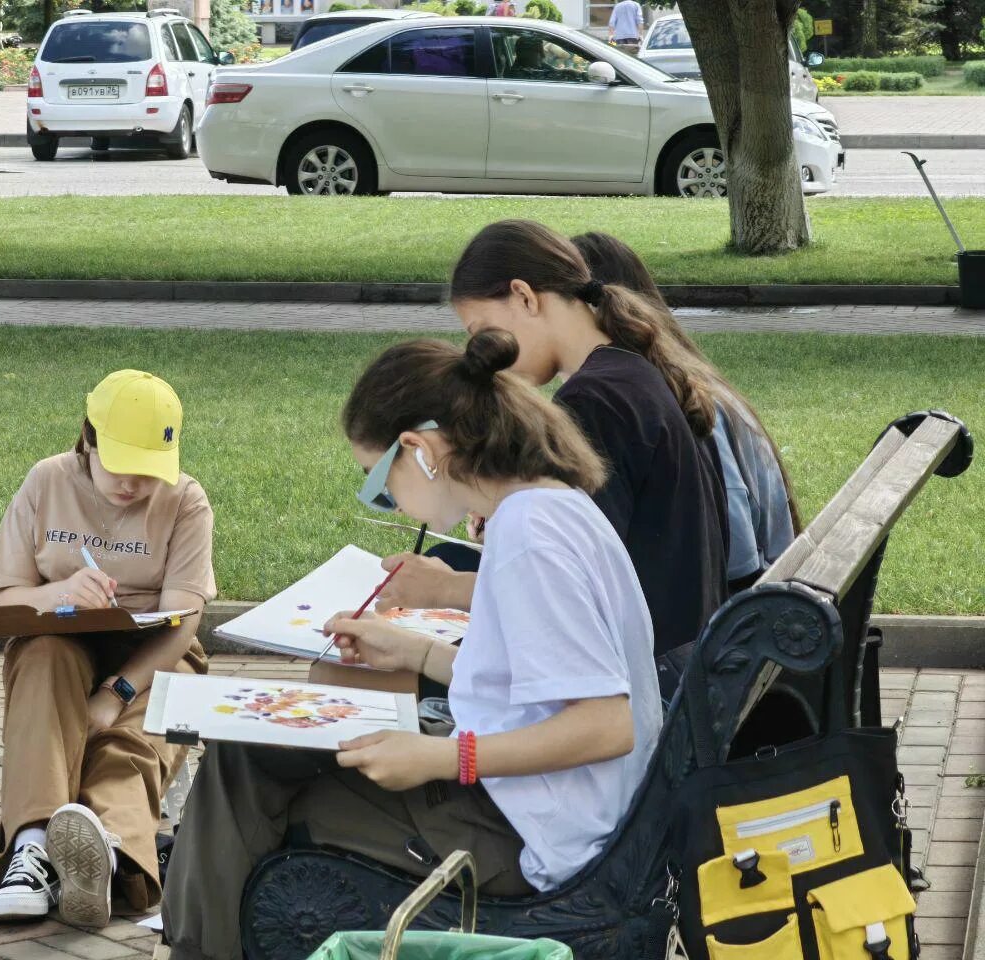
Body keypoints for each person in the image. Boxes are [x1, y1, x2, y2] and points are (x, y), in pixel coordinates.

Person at [160, 330, 661, 960]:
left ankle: (193, 948)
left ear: (420, 450)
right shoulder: (546, 507)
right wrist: (413, 654)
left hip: (538, 839)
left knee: (249, 789)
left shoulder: (532, 533)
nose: (391, 506)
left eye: (378, 485)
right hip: (549, 811)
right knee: (251, 759)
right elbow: (534, 684)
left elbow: (605, 725)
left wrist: (446, 759)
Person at [378, 220, 728, 698]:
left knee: (392, 677)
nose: (484, 356)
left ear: (525, 297)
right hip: (675, 657)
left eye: (482, 332)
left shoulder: (596, 403)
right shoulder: (623, 374)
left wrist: (444, 590)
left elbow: (573, 593)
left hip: (649, 681)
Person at [0, 370, 216, 928]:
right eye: (120, 464)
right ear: (87, 437)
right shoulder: (46, 481)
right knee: (41, 661)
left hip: (155, 652)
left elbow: (183, 623)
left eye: (147, 471)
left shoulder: (187, 501)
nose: (133, 484)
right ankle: (34, 850)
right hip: (60, 634)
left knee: (125, 742)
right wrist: (58, 593)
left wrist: (118, 690)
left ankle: (106, 855)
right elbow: (4, 601)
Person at [572, 231, 800, 590]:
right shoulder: (678, 378)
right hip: (759, 604)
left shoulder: (679, 397)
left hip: (738, 618)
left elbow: (736, 557)